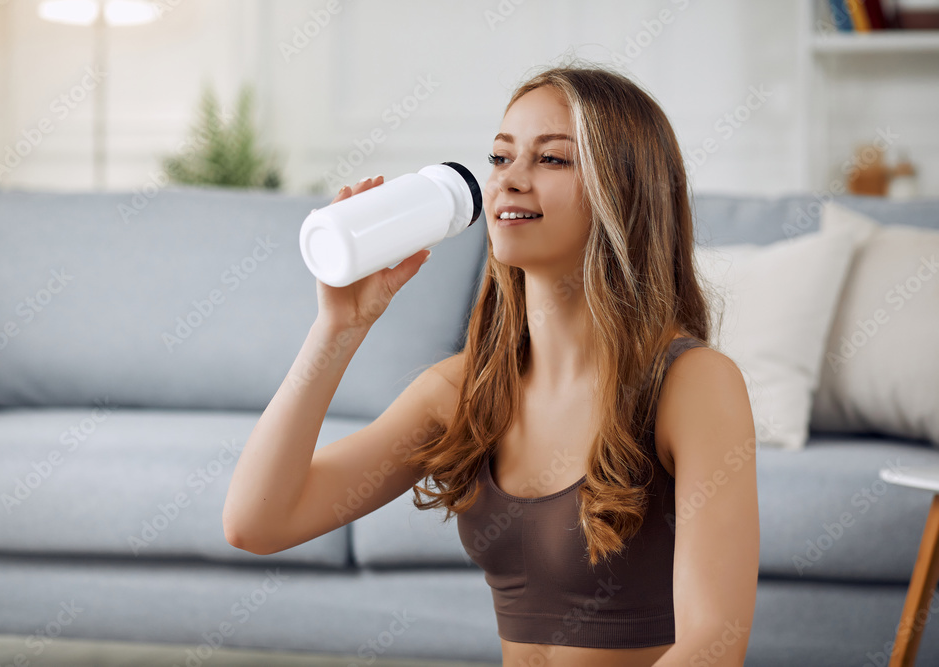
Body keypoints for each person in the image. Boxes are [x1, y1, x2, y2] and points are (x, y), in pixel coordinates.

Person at [223, 60, 759, 667]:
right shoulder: (465, 389)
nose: (509, 180)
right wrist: (337, 329)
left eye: (551, 159)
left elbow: (714, 641)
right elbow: (257, 523)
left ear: (626, 190)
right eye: (501, 157)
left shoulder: (691, 384)